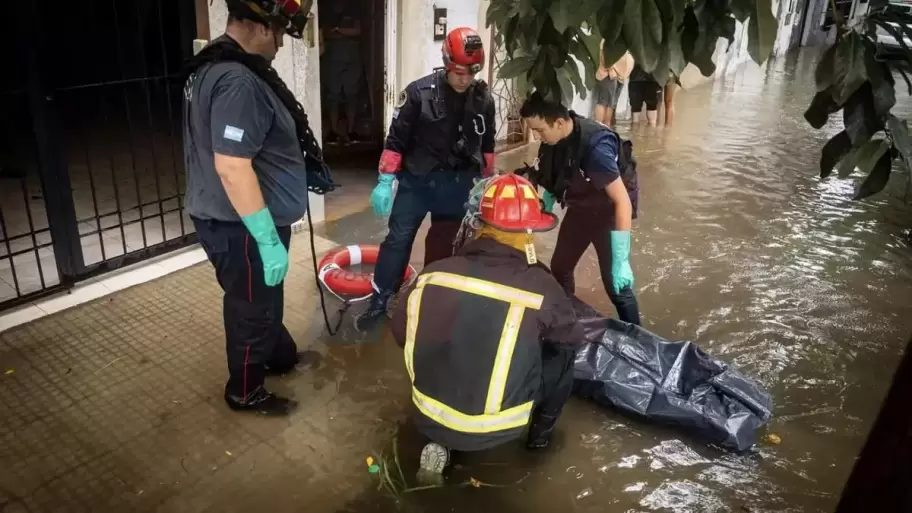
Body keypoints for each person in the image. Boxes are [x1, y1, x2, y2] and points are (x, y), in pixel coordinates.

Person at [181, 0, 333, 416]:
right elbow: (231, 165)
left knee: (262, 298)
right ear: (260, 26)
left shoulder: (213, 63)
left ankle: (278, 355)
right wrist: (266, 238)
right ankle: (245, 391)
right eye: (281, 32)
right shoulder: (237, 81)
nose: (282, 43)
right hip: (242, 225)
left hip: (234, 218)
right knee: (251, 307)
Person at [390, 173, 585, 482]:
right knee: (563, 359)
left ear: (477, 224)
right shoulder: (541, 286)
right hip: (497, 428)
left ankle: (441, 439)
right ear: (529, 231)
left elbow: (402, 335)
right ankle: (539, 440)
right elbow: (572, 338)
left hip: (425, 413)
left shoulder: (432, 274)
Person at [354, 27, 496, 331]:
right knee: (397, 241)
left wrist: (486, 184)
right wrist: (384, 181)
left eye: (471, 72)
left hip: (457, 185)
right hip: (416, 183)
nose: (465, 79)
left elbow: (488, 145)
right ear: (446, 62)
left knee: (442, 246)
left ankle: (432, 299)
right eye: (459, 72)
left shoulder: (483, 99)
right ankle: (380, 299)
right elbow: (395, 140)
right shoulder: (418, 94)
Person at [519, 92, 641, 325]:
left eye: (540, 130)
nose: (536, 136)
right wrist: (543, 204)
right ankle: (569, 320)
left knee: (616, 284)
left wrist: (622, 259)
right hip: (581, 207)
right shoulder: (553, 139)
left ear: (560, 122)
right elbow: (556, 176)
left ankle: (640, 341)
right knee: (560, 267)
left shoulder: (596, 150)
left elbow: (622, 201)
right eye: (533, 130)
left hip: (608, 212)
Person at [319, 0, 363, 144]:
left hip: (352, 59)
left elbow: (358, 31)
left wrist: (337, 30)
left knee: (352, 95)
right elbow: (323, 33)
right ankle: (333, 131)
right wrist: (345, 33)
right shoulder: (327, 11)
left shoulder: (354, 8)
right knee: (333, 96)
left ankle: (350, 132)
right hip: (332, 59)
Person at [594, 46, 633, 127]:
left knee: (611, 103)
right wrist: (612, 72)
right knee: (604, 102)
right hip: (609, 74)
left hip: (619, 76)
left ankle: (606, 127)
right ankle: (600, 127)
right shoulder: (609, 40)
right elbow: (606, 57)